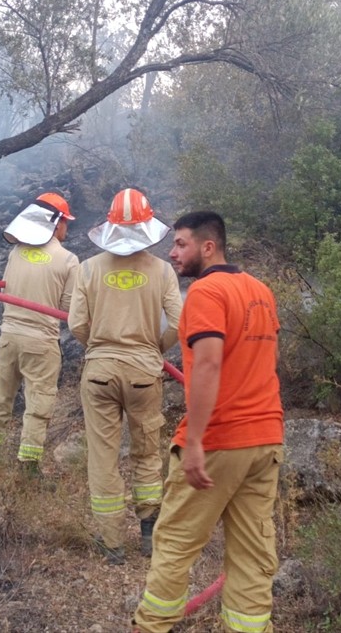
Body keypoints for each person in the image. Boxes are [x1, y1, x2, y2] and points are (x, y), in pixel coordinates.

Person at [132, 211, 284, 633]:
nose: (173, 251)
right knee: (253, 554)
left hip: (220, 439)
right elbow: (262, 362)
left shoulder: (206, 292)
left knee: (175, 543)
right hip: (265, 439)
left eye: (181, 244)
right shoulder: (259, 291)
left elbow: (209, 365)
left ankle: (151, 627)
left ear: (208, 246)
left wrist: (195, 439)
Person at [68, 188, 184, 565]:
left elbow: (75, 325)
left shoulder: (87, 269)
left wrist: (99, 347)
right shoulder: (163, 270)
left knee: (102, 457)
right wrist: (154, 348)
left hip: (99, 373)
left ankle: (112, 542)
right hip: (144, 374)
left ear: (111, 226)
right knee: (147, 449)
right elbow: (180, 324)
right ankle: (149, 530)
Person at [0, 191, 80, 480]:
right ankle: (29, 467)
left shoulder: (17, 251)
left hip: (8, 337)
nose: (66, 229)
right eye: (65, 223)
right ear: (55, 222)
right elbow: (69, 308)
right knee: (38, 406)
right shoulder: (68, 259)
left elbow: (8, 289)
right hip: (41, 342)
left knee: (0, 398)